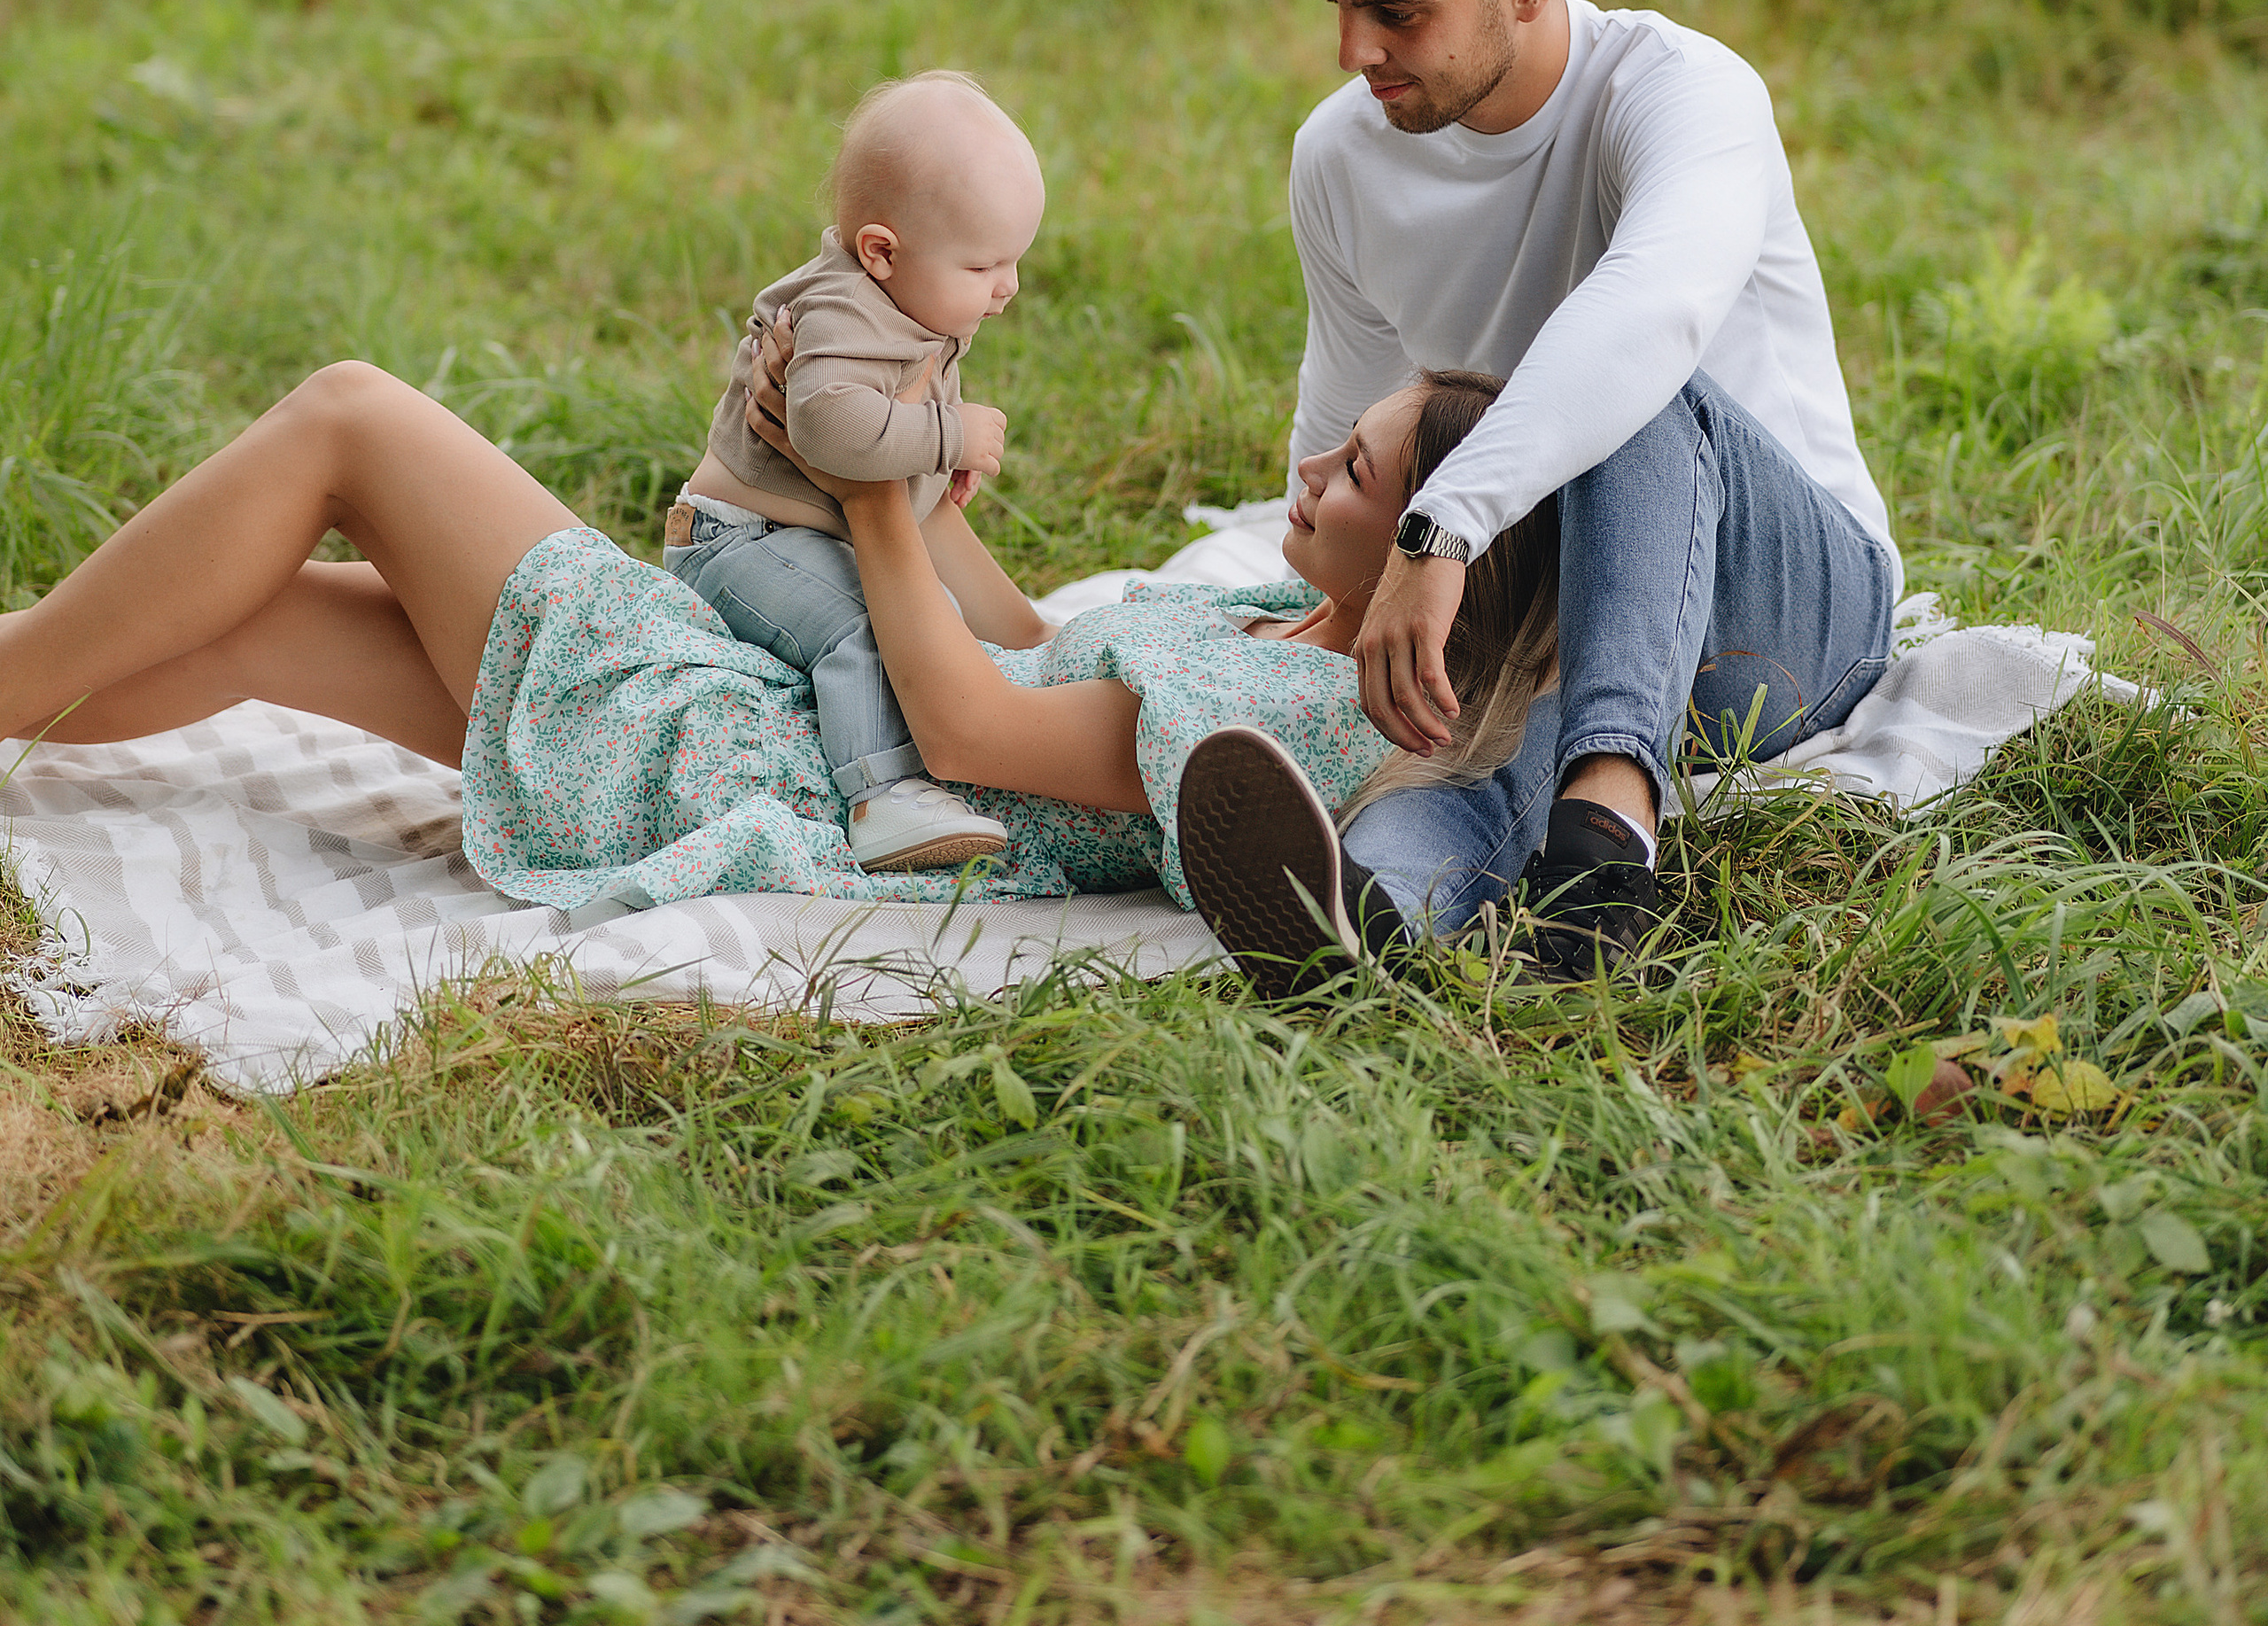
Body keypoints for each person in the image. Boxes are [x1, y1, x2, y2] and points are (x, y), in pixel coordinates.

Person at [0, 351, 1543, 932]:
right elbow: (1019, 646)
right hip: (787, 708)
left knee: (352, 415)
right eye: (1342, 442)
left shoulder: (1307, 720)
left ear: (1444, 558)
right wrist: (926, 501)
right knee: (264, 623)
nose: (1315, 473)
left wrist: (869, 514)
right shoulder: (1264, 612)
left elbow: (971, 742)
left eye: (1361, 479)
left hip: (782, 765)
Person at [1170, 0, 1901, 990]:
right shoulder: (1342, 154)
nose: (1353, 53)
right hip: (1542, 628)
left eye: (1395, 14)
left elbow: (1649, 317)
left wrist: (1440, 526)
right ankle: (1366, 912)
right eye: (1339, 8)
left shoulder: (1683, 95)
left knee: (1636, 394)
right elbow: (1344, 419)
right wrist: (1322, 631)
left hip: (1788, 615)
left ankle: (1611, 845)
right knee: (1466, 754)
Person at [665, 71, 1039, 879]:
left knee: (930, 617)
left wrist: (930, 464)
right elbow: (831, 426)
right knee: (862, 624)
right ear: (880, 251)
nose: (1008, 285)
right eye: (985, 265)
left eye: (1015, 259)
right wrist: (945, 433)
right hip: (738, 543)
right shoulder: (841, 310)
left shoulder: (911, 298)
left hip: (794, 534)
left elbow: (889, 419)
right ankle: (883, 797)